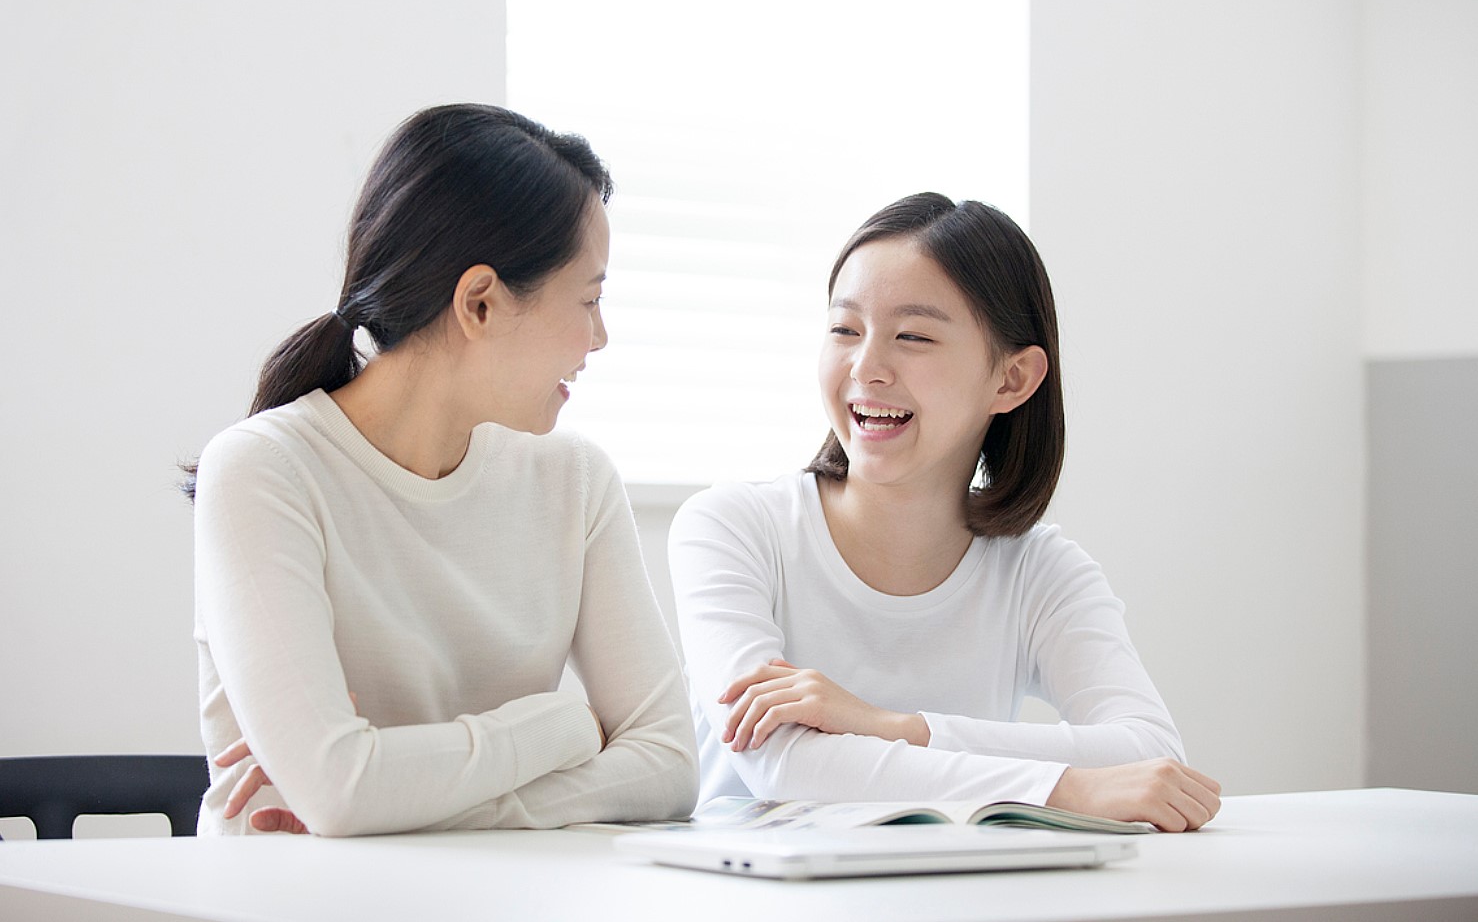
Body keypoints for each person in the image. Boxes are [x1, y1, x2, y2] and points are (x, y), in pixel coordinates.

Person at [188, 103, 697, 837]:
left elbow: (671, 764)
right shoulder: (263, 470)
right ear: (480, 302)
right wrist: (560, 725)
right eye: (589, 299)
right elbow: (340, 790)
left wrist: (412, 795)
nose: (600, 335)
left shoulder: (574, 480)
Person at [668, 193, 1220, 832]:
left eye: (913, 336)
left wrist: (891, 726)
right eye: (844, 329)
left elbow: (1149, 750)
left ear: (1011, 380)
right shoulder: (732, 527)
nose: (866, 367)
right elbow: (783, 765)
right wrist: (1068, 790)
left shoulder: (1040, 569)